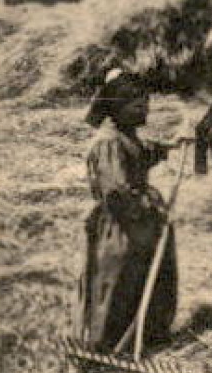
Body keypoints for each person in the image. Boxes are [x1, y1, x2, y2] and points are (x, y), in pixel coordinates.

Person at [74, 69, 187, 354]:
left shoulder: (126, 135)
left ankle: (146, 339)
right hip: (122, 228)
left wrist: (170, 147)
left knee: (149, 277)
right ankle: (108, 347)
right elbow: (116, 193)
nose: (144, 108)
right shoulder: (109, 142)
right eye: (136, 104)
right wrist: (150, 206)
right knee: (121, 283)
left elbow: (142, 153)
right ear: (117, 108)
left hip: (140, 223)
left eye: (145, 101)